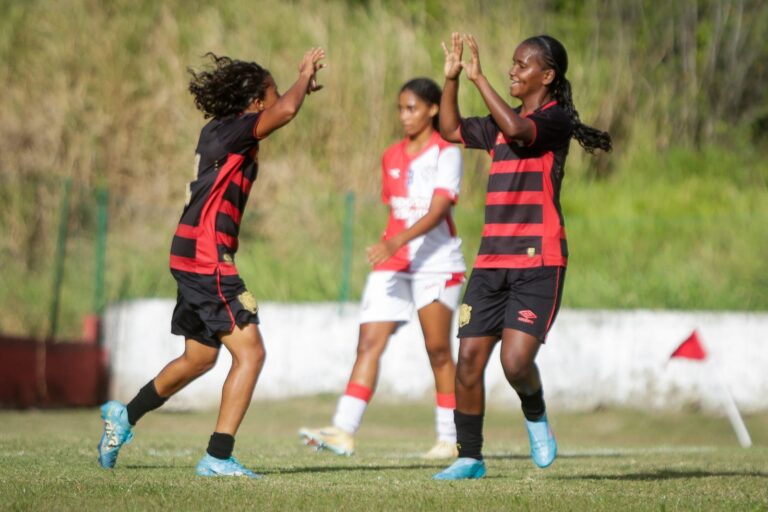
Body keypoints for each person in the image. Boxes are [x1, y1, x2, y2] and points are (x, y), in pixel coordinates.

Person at [97, 48, 326, 478]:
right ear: (256, 102)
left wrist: (296, 90)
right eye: (272, 95)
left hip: (189, 252)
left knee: (200, 358)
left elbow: (286, 106)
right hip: (205, 256)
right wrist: (302, 80)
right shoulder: (237, 130)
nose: (279, 100)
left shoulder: (222, 130)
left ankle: (123, 417)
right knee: (251, 353)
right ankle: (218, 457)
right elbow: (289, 109)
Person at [433, 33, 612, 480]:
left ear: (547, 76)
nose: (513, 70)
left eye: (521, 64)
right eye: (510, 64)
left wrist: (480, 78)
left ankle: (535, 413)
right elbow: (450, 129)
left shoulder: (554, 121)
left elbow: (518, 131)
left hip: (540, 261)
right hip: (491, 261)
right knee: (470, 358)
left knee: (514, 362)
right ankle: (469, 458)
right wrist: (452, 79)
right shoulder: (500, 119)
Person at [299, 77, 466, 459]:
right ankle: (343, 430)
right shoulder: (391, 155)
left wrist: (396, 240)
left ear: (433, 109)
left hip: (436, 264)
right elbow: (396, 207)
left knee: (438, 349)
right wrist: (392, 244)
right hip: (392, 262)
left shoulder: (447, 152)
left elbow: (440, 210)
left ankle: (449, 436)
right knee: (369, 344)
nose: (405, 116)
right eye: (400, 108)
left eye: (412, 108)